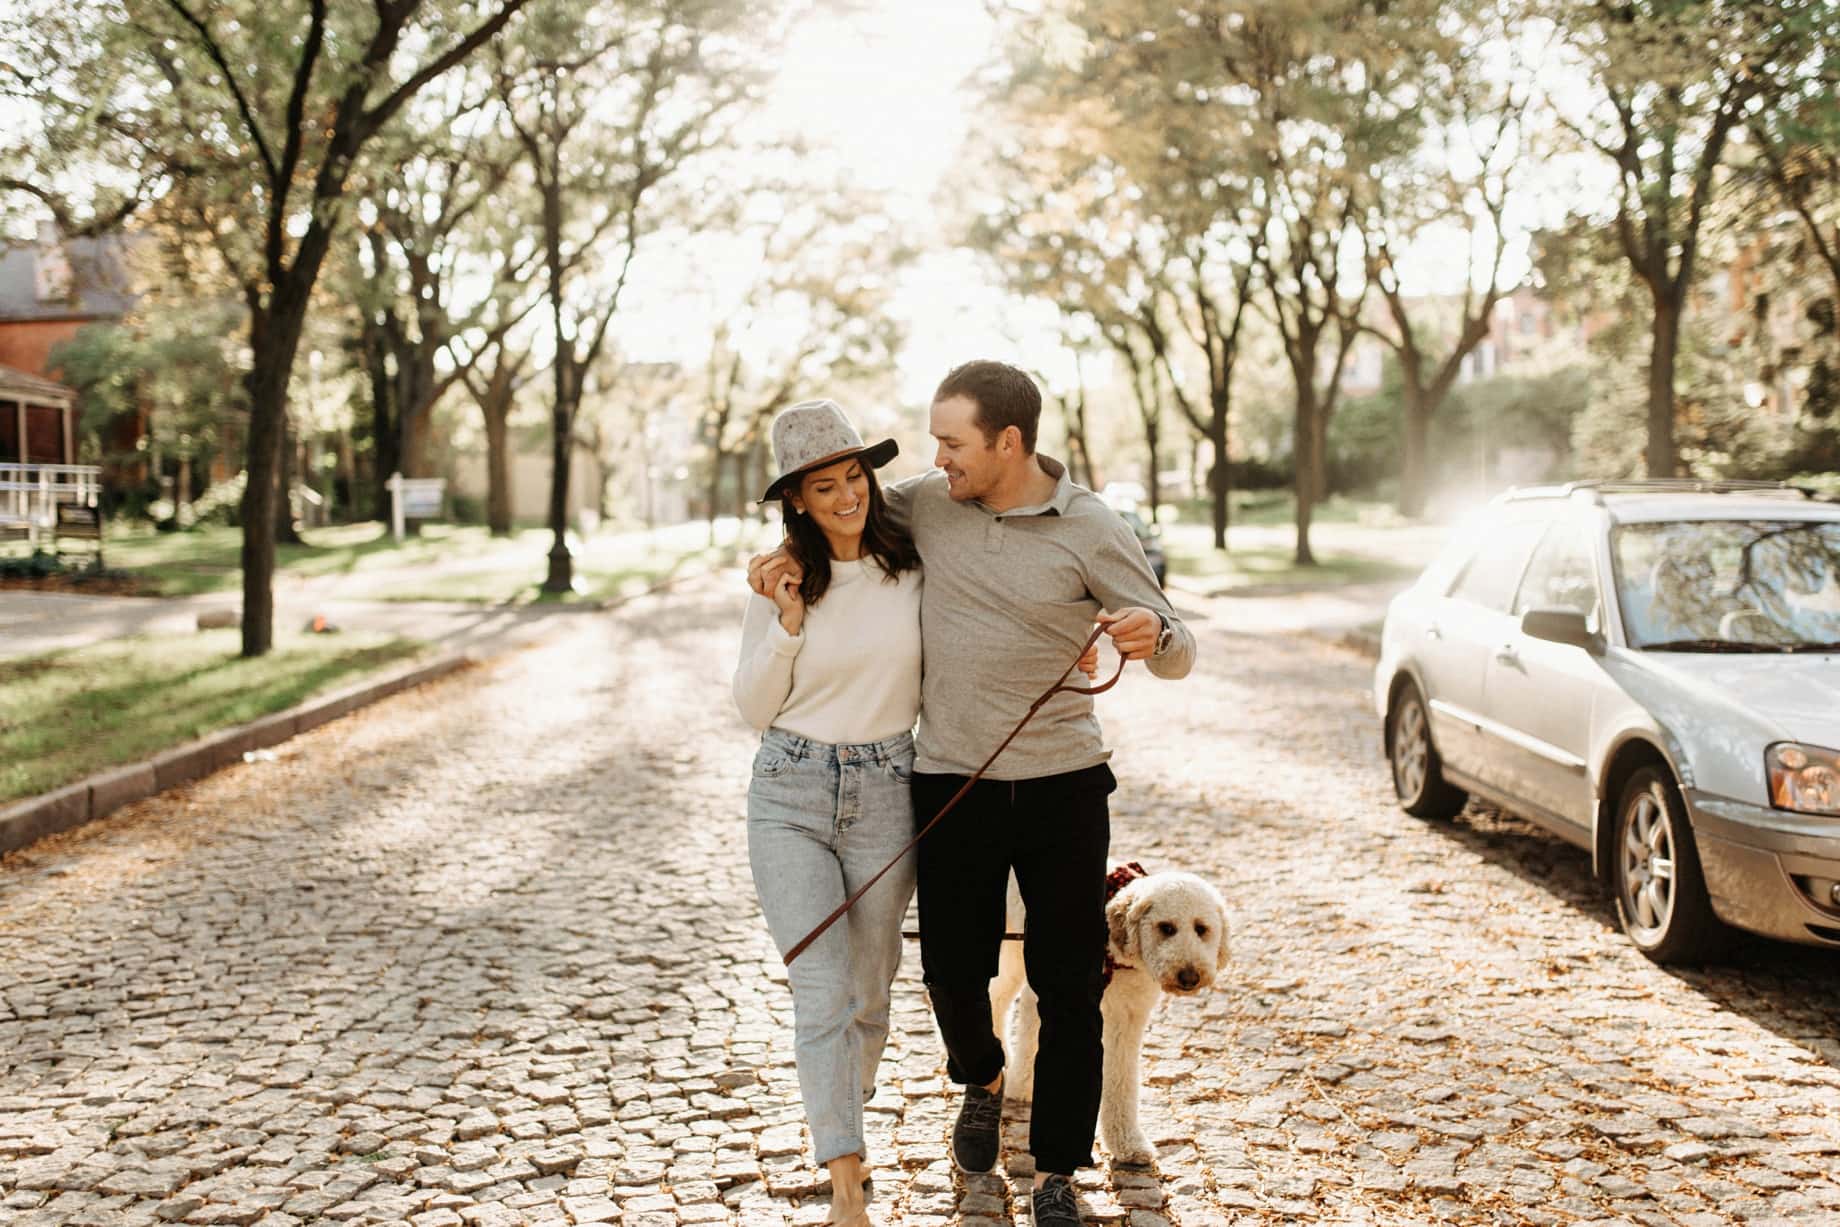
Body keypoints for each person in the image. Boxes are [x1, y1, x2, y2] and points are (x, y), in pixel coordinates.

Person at [750, 360, 1195, 1227]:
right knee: (952, 970)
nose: (936, 458)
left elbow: (1176, 644)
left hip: (1066, 783)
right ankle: (982, 1076)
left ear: (1008, 443)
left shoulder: (1092, 525)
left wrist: (1154, 634)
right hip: (952, 780)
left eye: (951, 443)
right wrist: (771, 564)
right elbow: (837, 517)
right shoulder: (928, 504)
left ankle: (1058, 1170)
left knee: (1069, 982)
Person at [732, 399, 923, 1227]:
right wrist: (786, 624)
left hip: (888, 786)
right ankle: (847, 1182)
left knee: (869, 990)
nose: (847, 496)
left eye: (855, 477)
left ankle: (844, 1093)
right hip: (790, 790)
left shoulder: (912, 567)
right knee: (822, 990)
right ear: (796, 501)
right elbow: (752, 706)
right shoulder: (784, 581)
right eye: (824, 486)